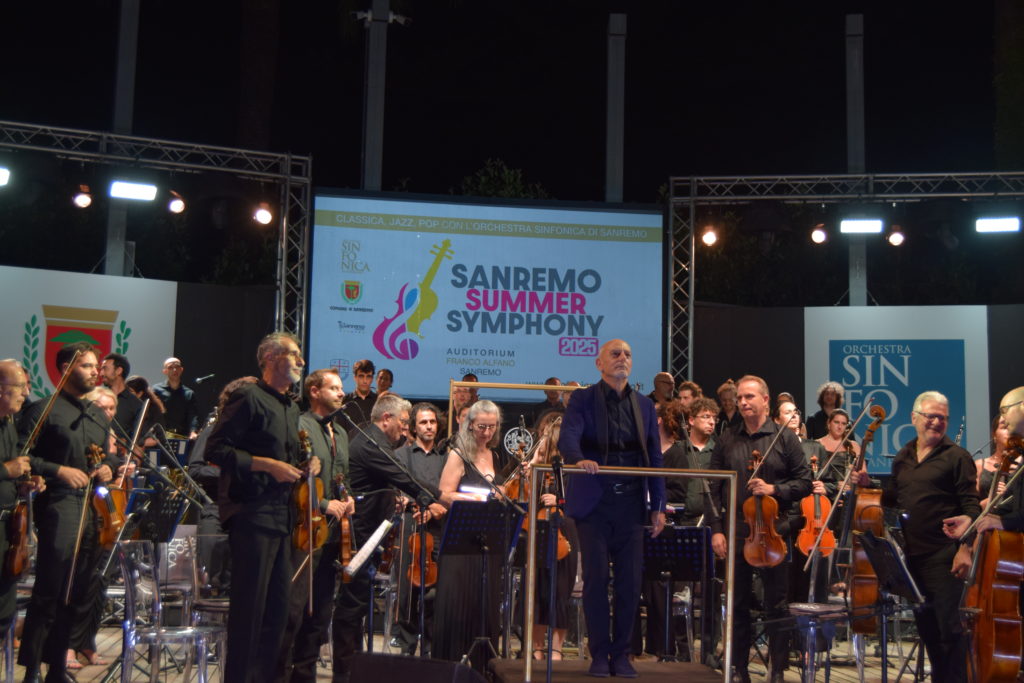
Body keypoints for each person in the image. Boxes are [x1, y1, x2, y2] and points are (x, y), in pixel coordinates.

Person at [205, 332, 317, 683]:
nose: (301, 361)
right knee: (249, 616)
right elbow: (215, 450)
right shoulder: (248, 397)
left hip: (282, 518)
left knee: (277, 615)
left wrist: (307, 463)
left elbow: (289, 458)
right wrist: (266, 465)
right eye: (294, 354)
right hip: (252, 516)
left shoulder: (291, 406)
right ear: (270, 358)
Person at [557, 338, 666, 678]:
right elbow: (568, 438)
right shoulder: (583, 399)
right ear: (599, 363)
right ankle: (599, 654)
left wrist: (658, 505)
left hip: (631, 504)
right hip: (595, 503)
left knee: (630, 583)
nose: (622, 358)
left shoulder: (644, 405)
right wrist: (578, 459)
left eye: (627, 354)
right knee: (596, 580)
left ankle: (621, 654)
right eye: (615, 354)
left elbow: (655, 457)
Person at [861, 390, 978, 683]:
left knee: (950, 633)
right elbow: (897, 498)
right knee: (928, 632)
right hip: (914, 558)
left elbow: (972, 509)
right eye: (931, 416)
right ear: (914, 418)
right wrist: (869, 486)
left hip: (945, 557)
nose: (937, 422)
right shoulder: (903, 456)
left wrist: (966, 549)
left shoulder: (957, 457)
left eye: (943, 418)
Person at [17, 342, 117, 683]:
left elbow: (106, 456)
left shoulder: (96, 415)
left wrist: (108, 467)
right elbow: (22, 456)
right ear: (65, 368)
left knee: (77, 592)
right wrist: (58, 470)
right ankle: (32, 668)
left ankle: (58, 668)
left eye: (96, 367)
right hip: (59, 504)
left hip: (92, 508)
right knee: (50, 589)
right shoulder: (43, 410)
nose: (95, 372)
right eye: (87, 366)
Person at [708, 375, 811, 683]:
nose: (743, 402)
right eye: (740, 397)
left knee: (777, 605)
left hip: (774, 531)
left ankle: (776, 669)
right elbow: (712, 486)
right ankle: (739, 668)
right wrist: (717, 529)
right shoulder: (727, 438)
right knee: (737, 603)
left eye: (749, 397)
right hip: (737, 531)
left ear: (766, 400)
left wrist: (774, 489)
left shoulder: (785, 438)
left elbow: (805, 482)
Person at [333, 393, 443, 682]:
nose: (405, 431)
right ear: (386, 418)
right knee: (352, 605)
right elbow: (403, 475)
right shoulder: (372, 444)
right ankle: (345, 672)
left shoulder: (376, 442)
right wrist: (440, 496)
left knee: (357, 604)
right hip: (359, 535)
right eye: (404, 423)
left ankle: (353, 668)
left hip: (369, 533)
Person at [276, 368, 356, 683]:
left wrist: (348, 498)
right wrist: (323, 504)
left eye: (341, 388)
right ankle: (281, 674)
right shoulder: (300, 426)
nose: (341, 393)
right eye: (334, 388)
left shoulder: (342, 433)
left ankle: (305, 675)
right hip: (305, 532)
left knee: (321, 614)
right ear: (314, 391)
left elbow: (342, 476)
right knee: (295, 610)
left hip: (334, 534)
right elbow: (295, 480)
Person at [433, 400, 513, 668]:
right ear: (469, 425)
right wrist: (479, 498)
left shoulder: (495, 456)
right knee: (459, 601)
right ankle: (451, 665)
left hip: (486, 539)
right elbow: (444, 494)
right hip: (461, 540)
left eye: (492, 427)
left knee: (484, 600)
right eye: (482, 427)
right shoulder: (459, 454)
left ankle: (481, 665)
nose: (487, 433)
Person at [392, 402, 448, 655]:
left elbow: (448, 493)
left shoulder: (445, 458)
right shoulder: (401, 455)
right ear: (414, 427)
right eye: (423, 422)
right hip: (410, 526)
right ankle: (406, 645)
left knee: (435, 591)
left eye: (432, 422)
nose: (429, 426)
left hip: (437, 528)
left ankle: (430, 648)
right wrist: (416, 504)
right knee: (407, 590)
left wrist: (436, 508)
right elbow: (398, 489)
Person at [523, 417, 578, 661]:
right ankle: (536, 647)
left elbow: (584, 501)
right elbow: (526, 499)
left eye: (545, 436)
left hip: (565, 531)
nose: (541, 440)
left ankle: (556, 649)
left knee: (560, 592)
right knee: (538, 592)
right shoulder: (540, 469)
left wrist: (560, 501)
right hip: (540, 530)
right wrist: (534, 464)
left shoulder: (573, 469)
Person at [0, 361, 43, 648]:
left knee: (5, 606)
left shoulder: (10, 423)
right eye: (20, 387)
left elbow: (11, 472)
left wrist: (24, 482)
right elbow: (6, 468)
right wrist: (7, 470)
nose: (26, 394)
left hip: (8, 526)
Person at [100, 352, 144, 443]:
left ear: (119, 371)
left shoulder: (136, 404)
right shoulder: (97, 398)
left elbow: (138, 439)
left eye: (105, 369)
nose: (101, 373)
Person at [152, 357, 200, 439]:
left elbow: (193, 415)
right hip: (161, 436)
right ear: (165, 371)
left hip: (182, 436)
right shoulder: (156, 390)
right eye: (170, 367)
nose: (174, 370)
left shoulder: (189, 393)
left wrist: (193, 431)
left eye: (177, 367)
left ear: (181, 369)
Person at [975, 416, 1013, 508]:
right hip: (986, 516)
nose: (1010, 431)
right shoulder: (979, 465)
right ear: (994, 434)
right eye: (1005, 427)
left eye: (1013, 427)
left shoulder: (1021, 467)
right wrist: (992, 498)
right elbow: (971, 508)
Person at [341, 359, 377, 434]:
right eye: (361, 376)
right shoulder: (344, 401)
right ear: (355, 378)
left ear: (372, 379)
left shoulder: (379, 401)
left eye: (368, 376)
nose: (365, 381)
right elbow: (338, 430)